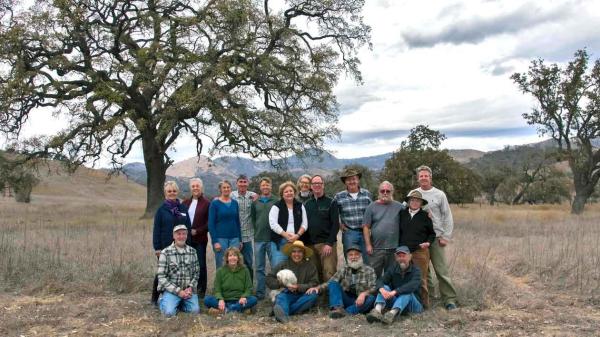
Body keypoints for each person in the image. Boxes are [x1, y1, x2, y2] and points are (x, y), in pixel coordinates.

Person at [410, 165, 458, 310]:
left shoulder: (439, 194)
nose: (423, 178)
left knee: (441, 270)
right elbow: (405, 209)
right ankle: (428, 299)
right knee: (424, 272)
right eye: (421, 176)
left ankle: (449, 300)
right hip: (420, 240)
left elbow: (447, 216)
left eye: (426, 176)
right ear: (418, 178)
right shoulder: (413, 193)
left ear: (430, 178)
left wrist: (446, 236)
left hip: (437, 238)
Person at [307, 245, 376, 318]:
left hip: (361, 301)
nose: (353, 257)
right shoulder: (344, 269)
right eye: (351, 255)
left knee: (371, 299)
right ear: (347, 257)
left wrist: (364, 294)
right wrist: (318, 288)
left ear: (361, 256)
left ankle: (347, 312)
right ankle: (337, 308)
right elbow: (330, 283)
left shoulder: (369, 270)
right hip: (346, 299)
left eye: (356, 254)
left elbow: (373, 288)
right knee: (333, 283)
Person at [151, 181, 191, 305]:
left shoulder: (183, 208)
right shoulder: (161, 210)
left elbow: (188, 226)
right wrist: (157, 248)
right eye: (169, 191)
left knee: (179, 272)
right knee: (162, 273)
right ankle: (155, 297)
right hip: (165, 246)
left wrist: (188, 244)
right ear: (165, 193)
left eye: (174, 191)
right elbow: (156, 229)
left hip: (182, 245)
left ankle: (177, 297)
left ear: (177, 192)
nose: (172, 193)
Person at [366, 246, 423, 325]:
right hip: (397, 303)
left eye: (404, 256)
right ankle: (377, 311)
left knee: (407, 292)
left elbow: (412, 286)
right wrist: (381, 289)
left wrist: (395, 291)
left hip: (414, 306)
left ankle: (391, 315)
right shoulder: (393, 268)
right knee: (384, 287)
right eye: (399, 256)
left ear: (410, 257)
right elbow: (380, 281)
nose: (401, 258)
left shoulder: (416, 270)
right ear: (396, 258)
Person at [399, 190, 436, 308]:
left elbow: (432, 234)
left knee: (421, 278)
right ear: (409, 202)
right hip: (404, 251)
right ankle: (408, 303)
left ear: (421, 203)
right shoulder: (402, 214)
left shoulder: (425, 216)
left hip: (420, 251)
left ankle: (424, 304)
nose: (415, 202)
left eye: (417, 201)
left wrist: (428, 243)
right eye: (412, 200)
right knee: (404, 277)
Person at [266, 240, 319, 323]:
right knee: (281, 297)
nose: (296, 254)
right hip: (287, 293)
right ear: (290, 253)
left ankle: (282, 311)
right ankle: (283, 314)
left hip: (303, 294)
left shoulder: (310, 266)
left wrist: (298, 287)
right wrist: (280, 283)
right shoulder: (283, 264)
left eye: (299, 252)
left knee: (313, 296)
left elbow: (314, 283)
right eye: (294, 251)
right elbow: (269, 278)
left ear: (304, 253)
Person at [363, 181, 405, 277]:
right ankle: (374, 292)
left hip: (394, 249)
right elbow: (366, 227)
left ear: (392, 192)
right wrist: (368, 245)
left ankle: (387, 292)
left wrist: (426, 213)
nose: (385, 193)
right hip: (376, 249)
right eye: (382, 191)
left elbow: (412, 213)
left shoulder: (400, 207)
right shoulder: (371, 207)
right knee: (373, 275)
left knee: (391, 275)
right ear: (379, 192)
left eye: (388, 191)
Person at [156, 225, 200, 317]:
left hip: (188, 291)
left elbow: (196, 272)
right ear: (174, 236)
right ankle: (163, 301)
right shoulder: (165, 252)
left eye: (184, 234)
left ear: (187, 236)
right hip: (172, 291)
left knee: (195, 311)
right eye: (178, 234)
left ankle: (178, 304)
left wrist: (190, 287)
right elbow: (161, 277)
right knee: (169, 313)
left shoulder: (193, 252)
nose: (181, 236)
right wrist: (178, 292)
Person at [303, 175, 340, 282]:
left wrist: (329, 243)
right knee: (315, 274)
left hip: (326, 244)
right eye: (314, 183)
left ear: (323, 185)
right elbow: (304, 225)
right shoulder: (307, 204)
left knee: (329, 273)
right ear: (311, 186)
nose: (317, 185)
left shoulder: (331, 202)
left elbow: (335, 225)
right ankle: (319, 297)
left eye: (319, 183)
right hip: (310, 245)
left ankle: (330, 297)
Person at [334, 168, 372, 263]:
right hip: (349, 232)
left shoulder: (367, 194)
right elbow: (333, 213)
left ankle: (367, 277)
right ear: (345, 182)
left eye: (354, 179)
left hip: (366, 232)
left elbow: (373, 211)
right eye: (348, 180)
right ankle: (352, 278)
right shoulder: (339, 196)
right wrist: (339, 224)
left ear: (358, 180)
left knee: (368, 260)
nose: (352, 182)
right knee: (351, 261)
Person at [204, 247, 258, 314]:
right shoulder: (220, 271)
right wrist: (220, 299)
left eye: (235, 255)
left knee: (253, 299)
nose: (232, 258)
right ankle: (238, 309)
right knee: (207, 299)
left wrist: (244, 297)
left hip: (239, 300)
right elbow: (217, 289)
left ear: (238, 258)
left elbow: (249, 288)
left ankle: (227, 310)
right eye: (230, 256)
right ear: (227, 258)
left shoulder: (245, 270)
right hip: (225, 299)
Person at [251, 177, 279, 300]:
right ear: (260, 187)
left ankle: (276, 292)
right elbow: (253, 219)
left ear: (271, 186)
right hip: (259, 239)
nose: (265, 187)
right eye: (263, 185)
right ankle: (260, 293)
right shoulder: (255, 203)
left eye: (267, 185)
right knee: (259, 268)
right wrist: (256, 231)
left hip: (273, 239)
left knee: (275, 267)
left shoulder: (276, 200)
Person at [182, 177, 210, 298]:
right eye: (193, 186)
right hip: (186, 240)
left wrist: (197, 231)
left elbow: (209, 223)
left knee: (201, 265)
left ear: (201, 187)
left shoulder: (207, 203)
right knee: (187, 265)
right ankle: (187, 290)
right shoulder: (185, 203)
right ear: (190, 188)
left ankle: (201, 291)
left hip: (200, 240)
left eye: (197, 186)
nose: (195, 188)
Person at [269, 181, 308, 267]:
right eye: (286, 191)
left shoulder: (300, 206)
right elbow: (273, 224)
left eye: (291, 191)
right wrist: (286, 235)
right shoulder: (276, 206)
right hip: (280, 242)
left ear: (294, 192)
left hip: (296, 242)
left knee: (295, 267)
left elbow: (305, 224)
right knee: (279, 267)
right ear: (282, 194)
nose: (289, 193)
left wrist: (297, 235)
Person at [208, 180, 242, 269]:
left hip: (234, 238)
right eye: (224, 187)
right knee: (221, 265)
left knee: (234, 265)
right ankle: (221, 283)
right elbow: (211, 224)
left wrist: (240, 239)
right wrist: (215, 241)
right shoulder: (215, 204)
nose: (226, 189)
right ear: (220, 189)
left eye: (228, 187)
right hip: (220, 239)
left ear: (231, 189)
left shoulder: (235, 203)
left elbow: (237, 222)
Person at [231, 174, 258, 281]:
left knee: (248, 262)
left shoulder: (253, 195)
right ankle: (234, 287)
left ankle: (249, 285)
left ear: (248, 183)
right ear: (237, 183)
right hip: (234, 235)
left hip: (247, 235)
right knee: (233, 261)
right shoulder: (231, 195)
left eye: (244, 182)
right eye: (240, 182)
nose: (242, 184)